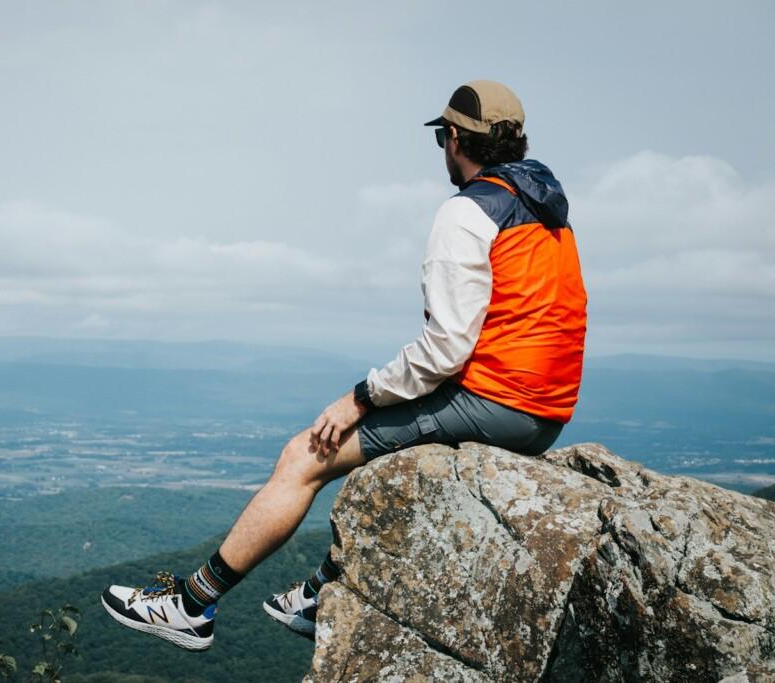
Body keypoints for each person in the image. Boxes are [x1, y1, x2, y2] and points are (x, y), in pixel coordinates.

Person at [99, 80, 588, 650]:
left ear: (454, 138)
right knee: (395, 464)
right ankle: (322, 592)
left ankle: (191, 606)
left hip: (495, 400)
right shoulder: (545, 209)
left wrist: (359, 397)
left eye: (440, 139)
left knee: (305, 456)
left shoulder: (467, 214)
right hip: (546, 412)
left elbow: (446, 348)